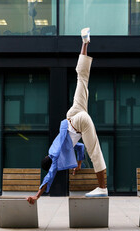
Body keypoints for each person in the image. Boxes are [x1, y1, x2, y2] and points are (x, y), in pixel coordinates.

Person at [27, 28, 108, 204]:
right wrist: (79, 163)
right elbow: (78, 147)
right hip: (73, 113)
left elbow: (49, 177)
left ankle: (102, 188)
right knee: (81, 77)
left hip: (79, 121)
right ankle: (85, 43)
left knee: (95, 152)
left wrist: (37, 195)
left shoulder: (55, 156)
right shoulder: (58, 147)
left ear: (51, 162)